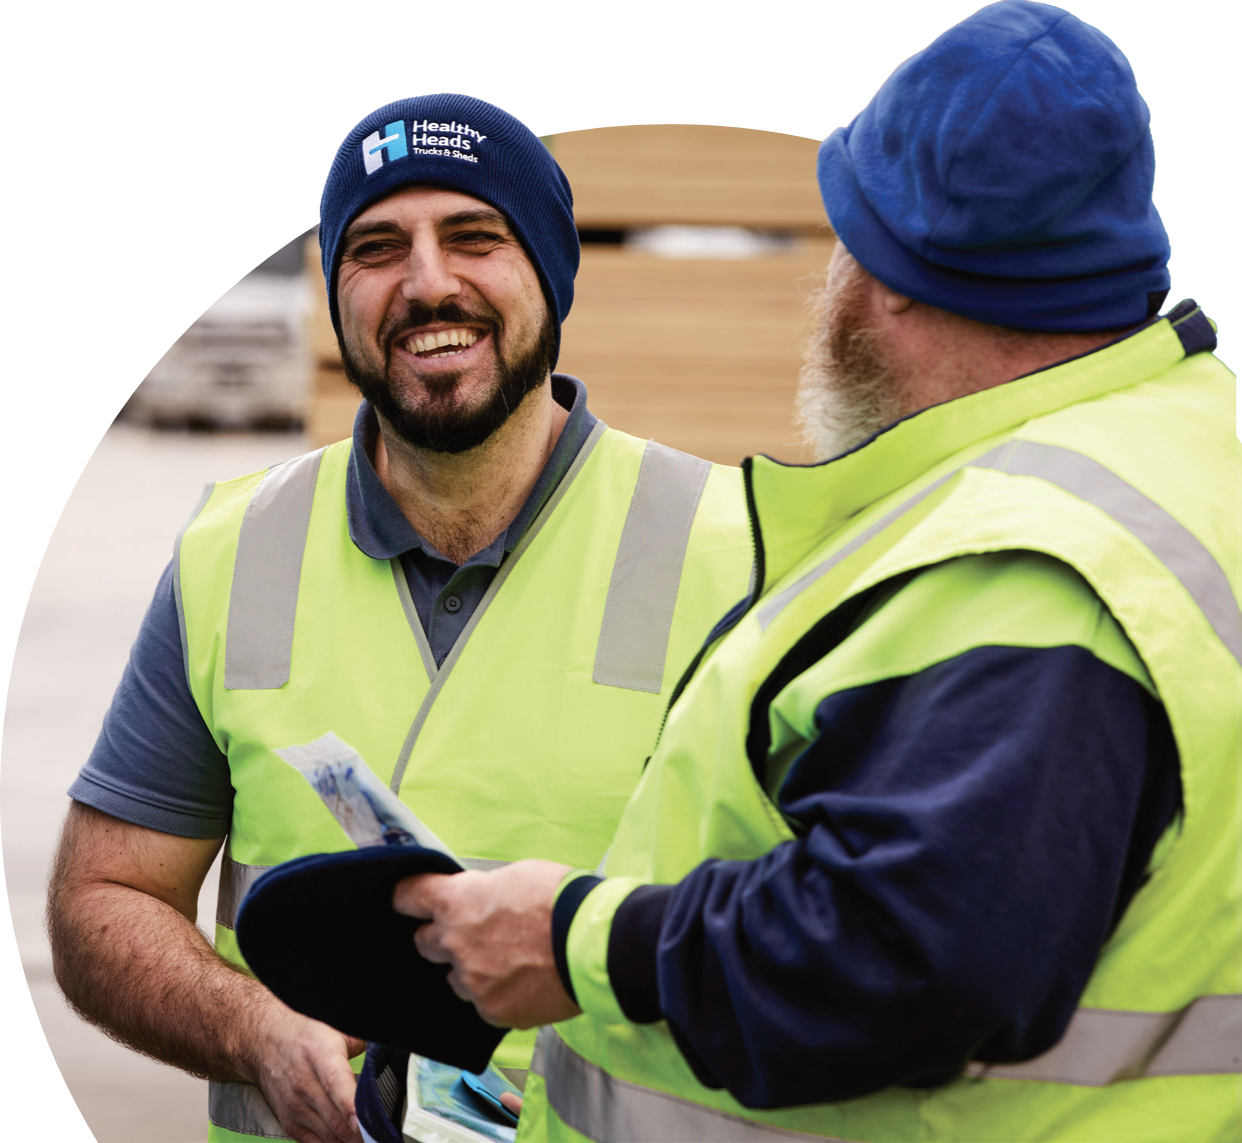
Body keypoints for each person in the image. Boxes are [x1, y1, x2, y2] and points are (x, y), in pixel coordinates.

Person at [389, 5, 1241, 1141]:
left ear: (891, 277)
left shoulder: (1029, 559)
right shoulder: (1182, 449)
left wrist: (577, 940)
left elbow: (910, 955)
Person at [46, 94, 753, 1143]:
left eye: (475, 236)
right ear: (335, 296)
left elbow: (833, 927)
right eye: (376, 248)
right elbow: (104, 896)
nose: (427, 282)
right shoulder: (237, 550)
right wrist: (254, 1031)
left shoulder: (731, 550)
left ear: (551, 272)